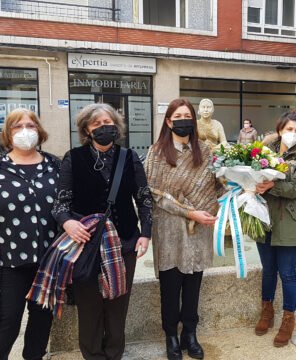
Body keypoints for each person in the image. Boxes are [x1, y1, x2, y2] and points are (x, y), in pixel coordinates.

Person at [52, 103, 152, 360]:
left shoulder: (130, 158)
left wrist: (146, 232)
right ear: (86, 129)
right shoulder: (73, 158)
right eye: (96, 124)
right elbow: (61, 203)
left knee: (118, 304)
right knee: (89, 305)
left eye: (108, 122)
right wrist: (67, 222)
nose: (103, 127)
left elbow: (143, 198)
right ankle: (93, 354)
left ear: (116, 127)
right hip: (85, 244)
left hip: (125, 242)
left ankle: (114, 352)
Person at [145, 99, 223, 360]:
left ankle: (190, 333)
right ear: (168, 121)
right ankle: (171, 335)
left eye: (187, 115)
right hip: (169, 230)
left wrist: (236, 187)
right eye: (177, 116)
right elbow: (154, 194)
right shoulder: (156, 152)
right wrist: (189, 212)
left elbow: (216, 187)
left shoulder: (205, 151)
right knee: (170, 286)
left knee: (193, 284)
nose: (183, 120)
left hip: (199, 230)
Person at [0, 109, 60, 360]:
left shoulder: (55, 165)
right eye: (17, 126)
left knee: (41, 322)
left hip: (48, 261)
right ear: (7, 133)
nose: (25, 130)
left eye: (31, 125)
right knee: (8, 320)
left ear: (39, 130)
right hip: (9, 261)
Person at [253, 110, 296, 347]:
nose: (293, 134)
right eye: (289, 129)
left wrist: (270, 187)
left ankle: (288, 318)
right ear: (279, 130)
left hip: (290, 223)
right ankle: (267, 311)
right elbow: (252, 178)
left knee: (287, 273)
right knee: (268, 270)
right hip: (265, 219)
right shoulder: (261, 154)